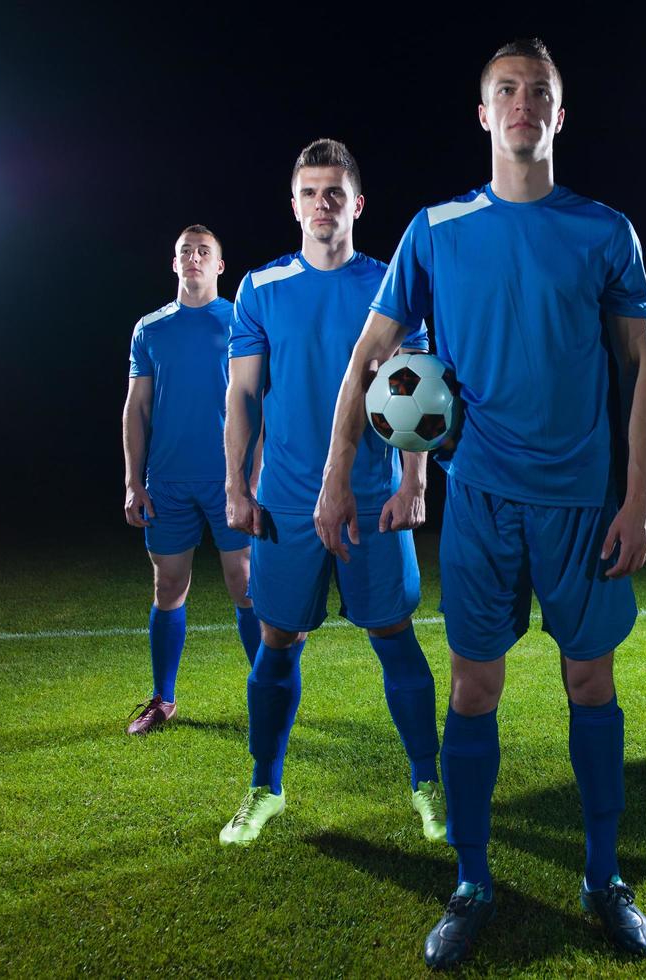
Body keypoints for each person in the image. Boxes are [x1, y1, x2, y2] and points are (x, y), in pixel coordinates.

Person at [317, 38, 646, 968]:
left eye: (538, 92)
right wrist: (336, 474)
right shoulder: (435, 230)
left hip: (586, 505)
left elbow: (642, 375)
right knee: (475, 687)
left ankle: (602, 877)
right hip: (479, 502)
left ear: (558, 114)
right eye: (504, 90)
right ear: (482, 114)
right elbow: (369, 360)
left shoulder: (605, 230)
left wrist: (640, 498)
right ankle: (472, 882)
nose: (521, 103)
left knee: (590, 682)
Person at [219, 139, 444, 847]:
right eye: (311, 193)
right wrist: (235, 485)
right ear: (294, 205)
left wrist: (414, 481)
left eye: (334, 193)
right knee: (278, 636)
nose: (323, 204)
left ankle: (426, 783)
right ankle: (265, 786)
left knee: (391, 632)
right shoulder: (259, 287)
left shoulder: (390, 288)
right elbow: (243, 396)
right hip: (284, 497)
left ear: (357, 204)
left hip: (376, 492)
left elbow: (417, 392)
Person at [122, 225, 261, 735]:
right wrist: (134, 481)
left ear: (220, 265)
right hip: (169, 479)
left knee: (244, 583)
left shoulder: (240, 322)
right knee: (168, 586)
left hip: (231, 478)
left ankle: (265, 688)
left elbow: (259, 405)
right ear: (174, 262)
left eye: (205, 252)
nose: (194, 258)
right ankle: (164, 699)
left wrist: (254, 477)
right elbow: (136, 408)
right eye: (186, 251)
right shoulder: (150, 328)